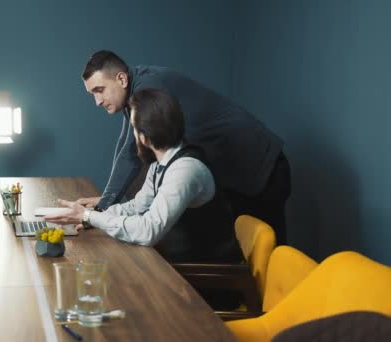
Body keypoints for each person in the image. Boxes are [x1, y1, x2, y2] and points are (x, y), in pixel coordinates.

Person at [77, 50, 291, 244]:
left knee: (271, 264)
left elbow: (130, 153)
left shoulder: (148, 87)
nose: (97, 101)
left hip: (262, 168)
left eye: (100, 90)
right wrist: (105, 204)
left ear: (121, 79)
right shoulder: (135, 90)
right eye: (92, 94)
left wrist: (101, 209)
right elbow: (125, 145)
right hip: (235, 173)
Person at [44, 88, 243, 264]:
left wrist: (88, 215)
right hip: (174, 263)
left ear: (144, 135)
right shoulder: (160, 163)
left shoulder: (185, 169)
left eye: (134, 127)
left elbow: (148, 230)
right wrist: (91, 218)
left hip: (204, 279)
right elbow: (137, 206)